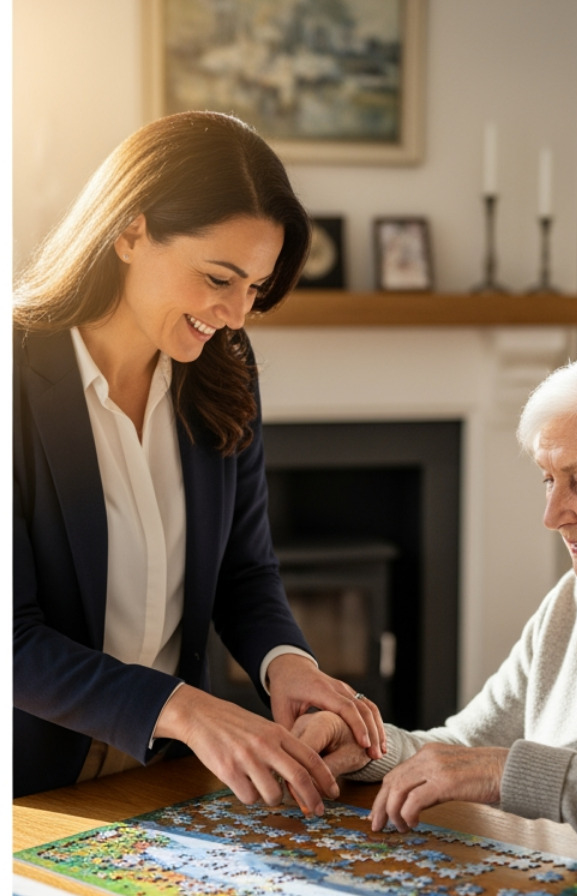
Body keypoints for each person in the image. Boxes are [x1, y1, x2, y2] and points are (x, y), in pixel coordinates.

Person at [14, 111, 385, 812]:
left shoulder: (222, 375)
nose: (236, 315)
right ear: (130, 231)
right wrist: (186, 708)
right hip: (29, 790)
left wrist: (288, 664)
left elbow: (244, 572)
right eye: (219, 278)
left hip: (167, 775)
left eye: (254, 288)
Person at [294, 341, 577, 871]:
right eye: (548, 479)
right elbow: (470, 747)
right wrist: (366, 748)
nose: (552, 515)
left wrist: (512, 775)